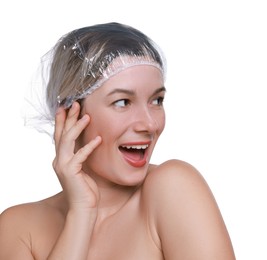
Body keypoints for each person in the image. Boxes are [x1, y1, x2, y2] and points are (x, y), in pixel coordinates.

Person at [0, 22, 235, 259]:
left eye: (157, 100)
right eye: (122, 102)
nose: (150, 125)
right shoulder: (18, 228)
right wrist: (82, 212)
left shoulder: (173, 189)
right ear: (71, 113)